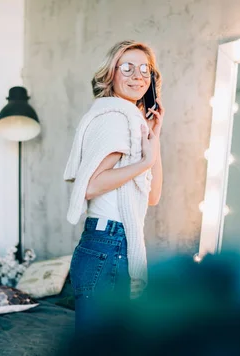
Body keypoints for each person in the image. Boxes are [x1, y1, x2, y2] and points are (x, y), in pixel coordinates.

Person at [63, 40, 164, 333]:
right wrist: (145, 162)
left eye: (145, 69)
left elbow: (154, 196)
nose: (138, 75)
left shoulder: (133, 122)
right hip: (108, 244)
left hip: (110, 243)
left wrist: (154, 139)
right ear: (111, 75)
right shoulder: (116, 119)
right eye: (127, 67)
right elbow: (91, 186)